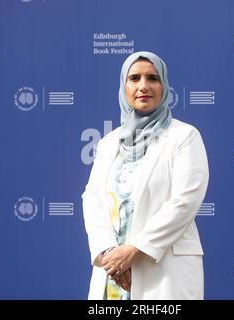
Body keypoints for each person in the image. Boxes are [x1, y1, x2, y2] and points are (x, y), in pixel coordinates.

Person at [82, 51, 209, 300]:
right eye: (134, 78)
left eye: (152, 78)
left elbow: (185, 201)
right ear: (124, 86)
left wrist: (133, 250)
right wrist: (109, 253)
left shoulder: (184, 136)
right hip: (114, 273)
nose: (143, 86)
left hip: (164, 272)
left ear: (164, 85)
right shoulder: (109, 142)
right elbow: (93, 198)